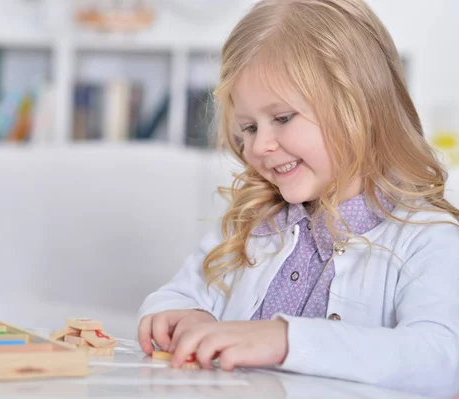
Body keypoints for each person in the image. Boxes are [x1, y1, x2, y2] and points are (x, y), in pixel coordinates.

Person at [137, 0, 459, 397]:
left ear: (361, 105)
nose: (261, 145)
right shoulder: (254, 227)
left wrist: (287, 339)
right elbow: (177, 294)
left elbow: (442, 359)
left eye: (283, 118)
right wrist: (183, 316)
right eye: (249, 127)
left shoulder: (428, 239)